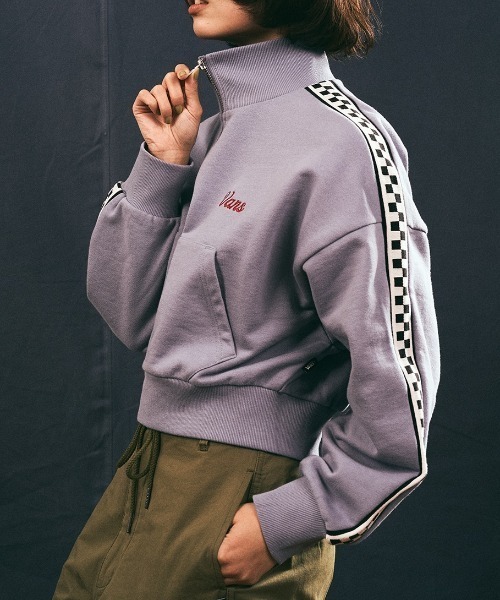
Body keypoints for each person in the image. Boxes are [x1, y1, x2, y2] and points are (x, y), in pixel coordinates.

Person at [53, 0, 440, 598]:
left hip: (240, 489)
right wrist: (162, 166)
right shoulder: (212, 132)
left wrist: (294, 517)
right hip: (147, 468)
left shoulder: (345, 143)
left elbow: (400, 371)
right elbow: (130, 314)